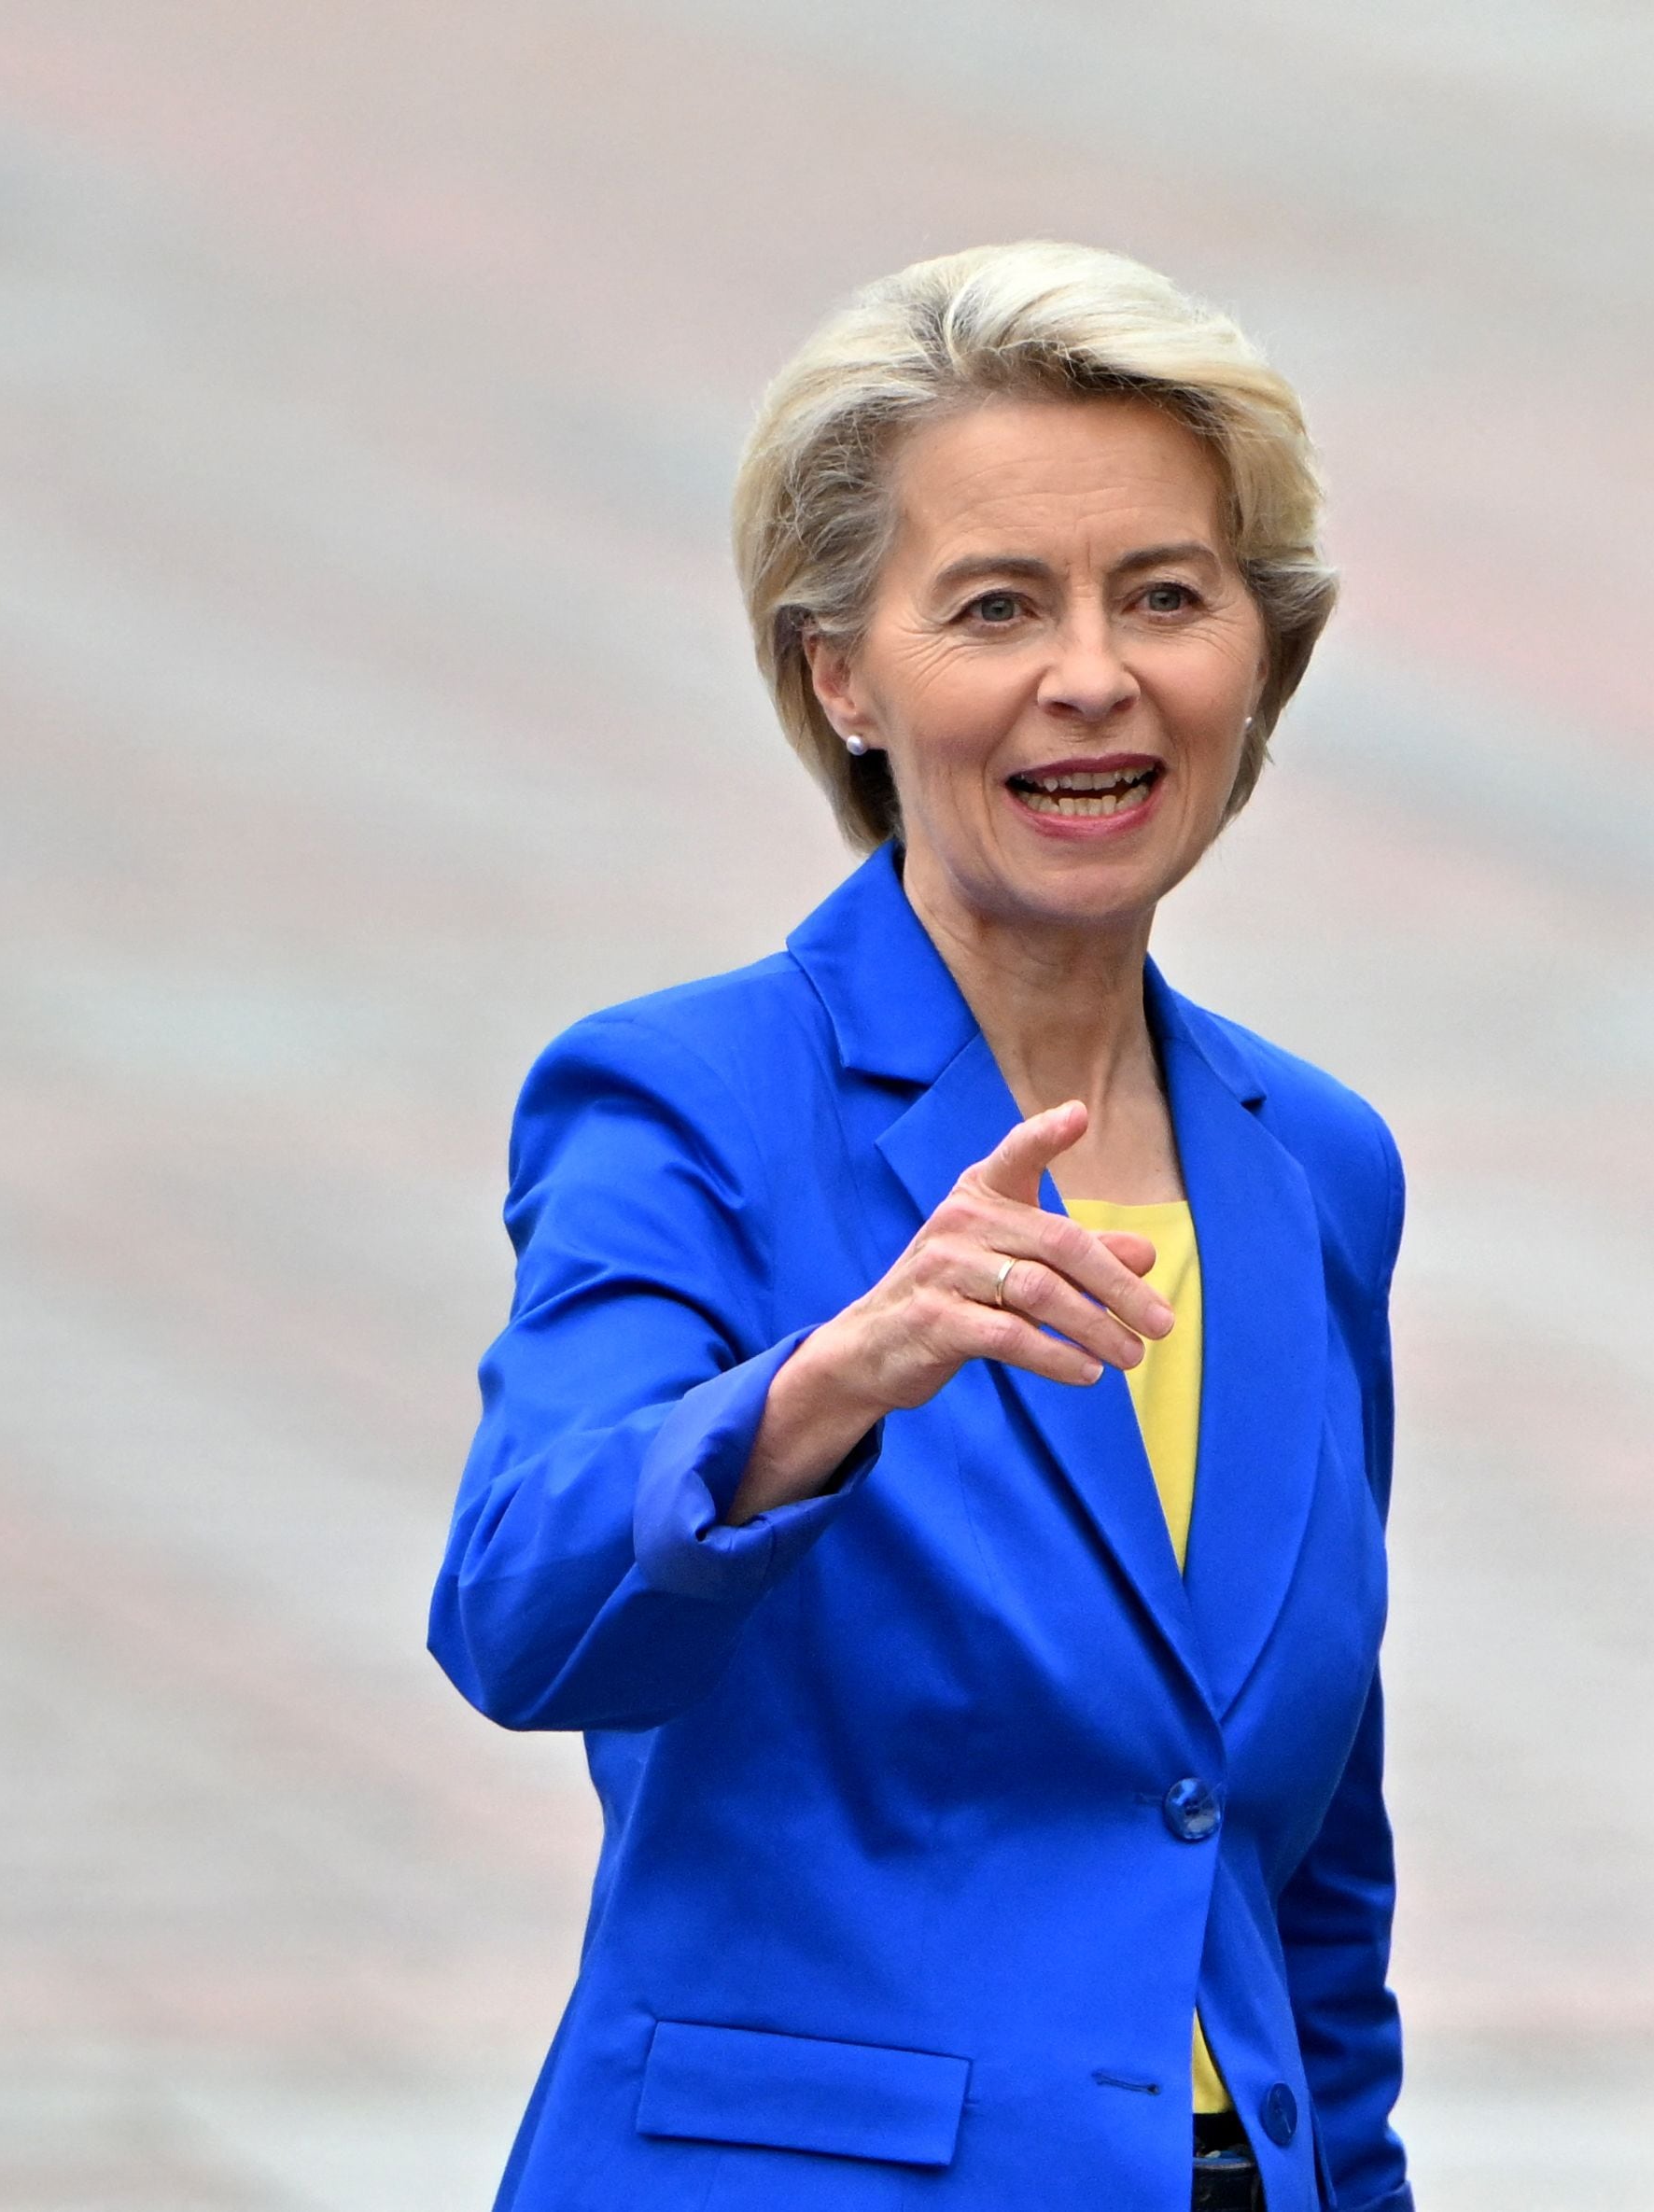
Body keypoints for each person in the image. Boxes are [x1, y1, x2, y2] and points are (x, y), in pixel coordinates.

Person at [430, 242, 1409, 2212]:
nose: (1092, 676)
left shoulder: (1315, 1160)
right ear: (843, 676)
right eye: (994, 607)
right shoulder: (689, 1099)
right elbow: (519, 1612)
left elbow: (1305, 1857)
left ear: (1261, 653)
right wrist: (827, 1382)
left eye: (1164, 595)